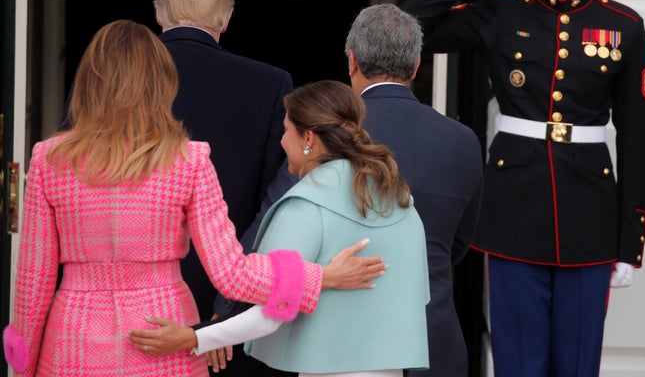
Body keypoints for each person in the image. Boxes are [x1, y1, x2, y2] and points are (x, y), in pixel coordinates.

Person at [1, 20, 386, 377]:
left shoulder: (50, 160)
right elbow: (232, 273)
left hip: (73, 341)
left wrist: (23, 365)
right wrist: (319, 278)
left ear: (88, 81)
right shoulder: (188, 160)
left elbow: (33, 284)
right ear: (160, 82)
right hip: (162, 334)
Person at [400, 0, 645, 377]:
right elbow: (409, 27)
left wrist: (629, 243)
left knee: (577, 366)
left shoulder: (624, 28)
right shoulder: (502, 13)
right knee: (517, 365)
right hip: (513, 213)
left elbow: (638, 142)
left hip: (590, 220)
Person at [128, 79, 431, 377]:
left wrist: (193, 338)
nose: (282, 140)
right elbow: (417, 297)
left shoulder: (306, 205)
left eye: (286, 130)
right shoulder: (399, 200)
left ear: (309, 138)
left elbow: (271, 312)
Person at [153, 0, 296, 375]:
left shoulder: (106, 76)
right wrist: (230, 309)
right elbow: (276, 203)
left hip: (127, 301)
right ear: (227, 17)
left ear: (159, 10)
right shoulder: (270, 84)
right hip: (230, 297)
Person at [345, 3, 484, 377]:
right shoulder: (463, 140)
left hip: (351, 341)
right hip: (435, 341)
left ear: (352, 62)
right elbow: (458, 242)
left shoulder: (334, 136)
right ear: (417, 64)